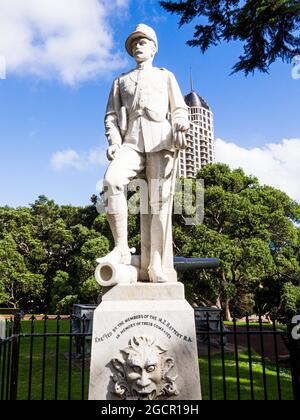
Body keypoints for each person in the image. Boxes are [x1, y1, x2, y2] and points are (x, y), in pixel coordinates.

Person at [98, 24, 189, 283]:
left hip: (161, 140)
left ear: (153, 47)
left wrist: (181, 122)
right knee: (112, 181)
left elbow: (179, 108)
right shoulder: (120, 81)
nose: (138, 46)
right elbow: (111, 116)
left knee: (159, 206)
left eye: (143, 42)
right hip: (131, 142)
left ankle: (156, 265)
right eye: (134, 43)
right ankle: (121, 248)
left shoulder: (165, 76)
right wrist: (114, 140)